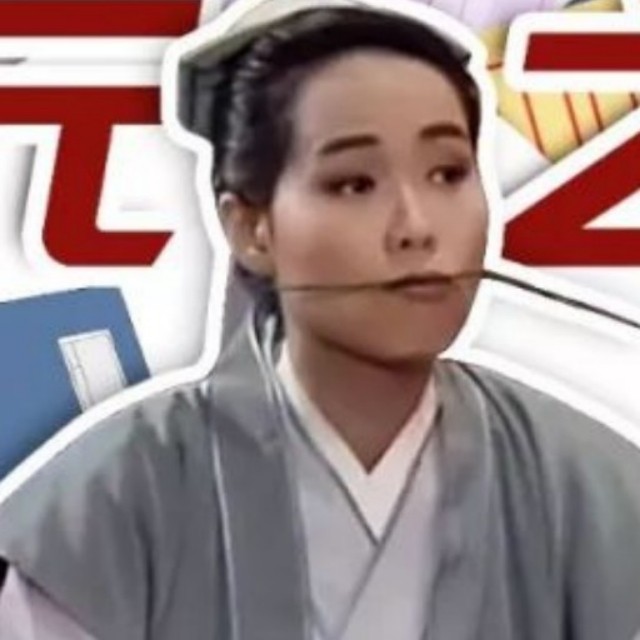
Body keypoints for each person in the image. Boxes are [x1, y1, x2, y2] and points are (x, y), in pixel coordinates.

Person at [1, 0, 640, 638]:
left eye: (448, 173)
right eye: (354, 184)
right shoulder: (111, 497)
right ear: (250, 229)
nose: (417, 227)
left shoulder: (592, 487)